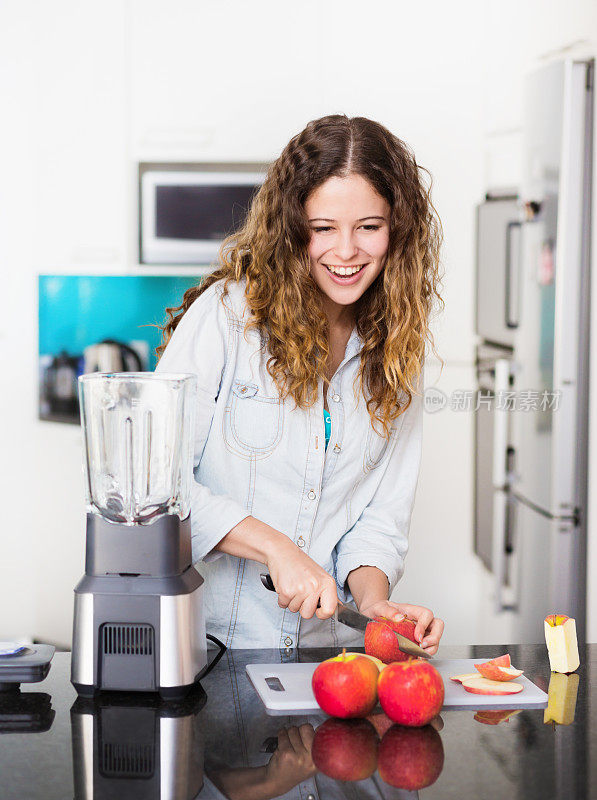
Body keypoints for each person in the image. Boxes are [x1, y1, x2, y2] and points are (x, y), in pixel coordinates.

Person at [155, 114, 445, 652]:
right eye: (323, 228)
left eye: (369, 227)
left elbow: (379, 519)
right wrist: (275, 548)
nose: (346, 251)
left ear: (397, 230)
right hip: (203, 652)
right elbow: (156, 485)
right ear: (293, 229)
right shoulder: (227, 318)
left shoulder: (397, 349)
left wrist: (375, 601)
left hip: (323, 659)